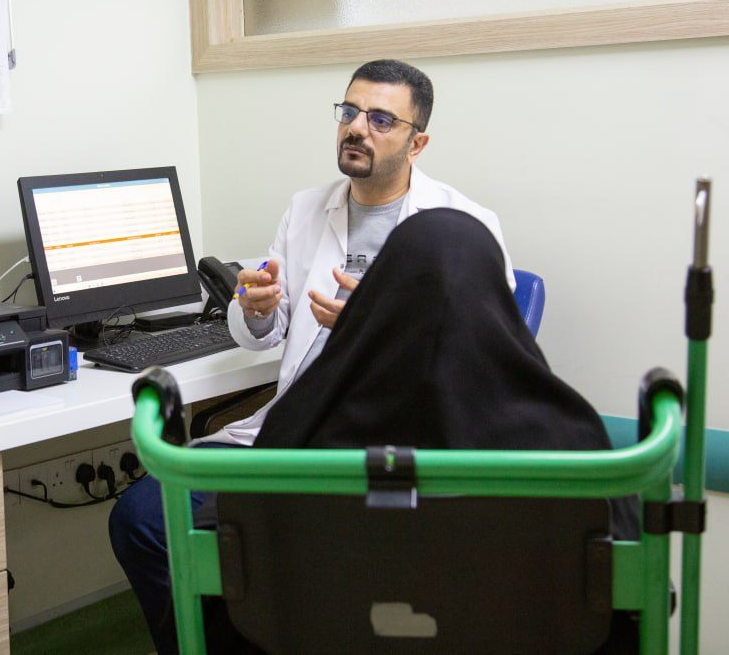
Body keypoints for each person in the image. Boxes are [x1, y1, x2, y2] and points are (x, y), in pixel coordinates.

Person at [110, 59, 515, 653]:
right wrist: (256, 308)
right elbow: (265, 334)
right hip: (288, 435)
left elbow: (485, 363)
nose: (357, 127)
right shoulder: (305, 210)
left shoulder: (463, 227)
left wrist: (376, 331)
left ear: (417, 142)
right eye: (349, 111)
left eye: (381, 119)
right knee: (143, 519)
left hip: (388, 443)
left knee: (312, 547)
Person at [249, 209, 638, 652]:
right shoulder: (577, 455)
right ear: (495, 309)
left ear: (378, 304)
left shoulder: (298, 433)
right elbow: (629, 601)